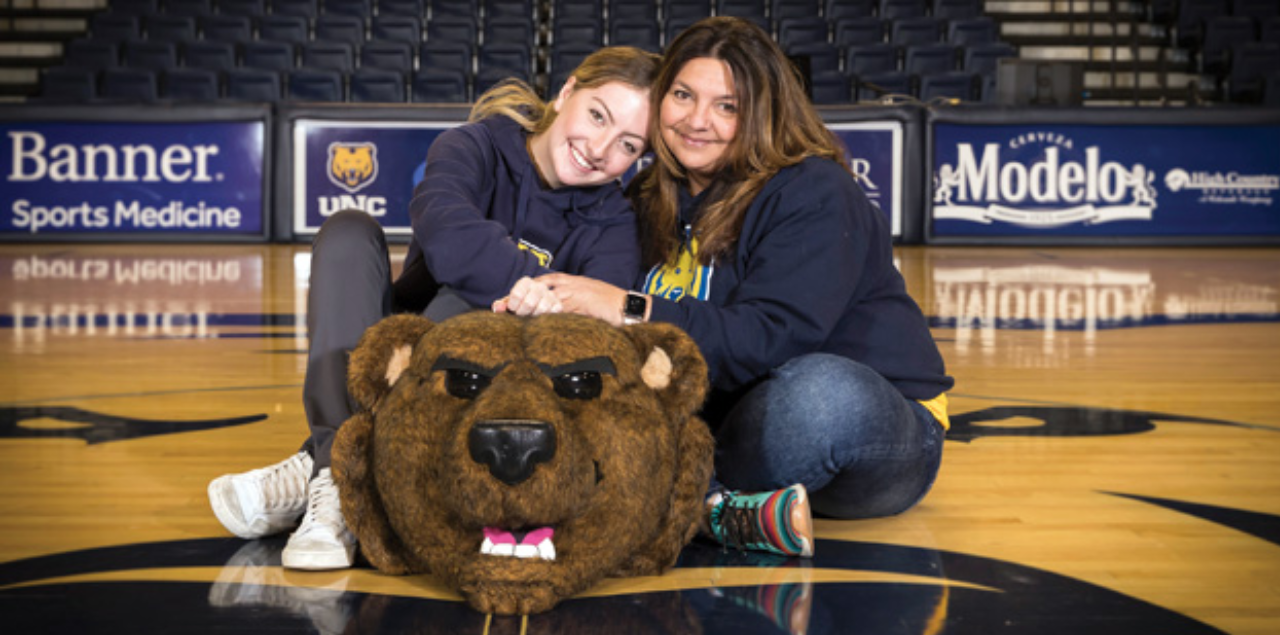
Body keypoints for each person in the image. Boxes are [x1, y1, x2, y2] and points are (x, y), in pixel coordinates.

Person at [207, 46, 661, 570]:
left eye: (628, 145)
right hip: (397, 358)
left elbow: (585, 340)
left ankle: (329, 469)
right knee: (348, 232)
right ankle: (336, 480)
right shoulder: (475, 144)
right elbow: (447, 236)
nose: (600, 148)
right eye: (597, 115)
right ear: (567, 93)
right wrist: (530, 288)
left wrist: (517, 299)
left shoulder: (616, 220)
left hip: (482, 403)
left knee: (469, 307)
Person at [525, 17, 954, 558]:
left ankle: (656, 495)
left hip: (875, 426)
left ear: (762, 114)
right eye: (682, 95)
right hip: (722, 416)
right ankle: (713, 508)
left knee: (821, 395)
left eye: (727, 106)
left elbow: (768, 339)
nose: (697, 121)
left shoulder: (813, 190)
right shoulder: (643, 196)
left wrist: (627, 308)